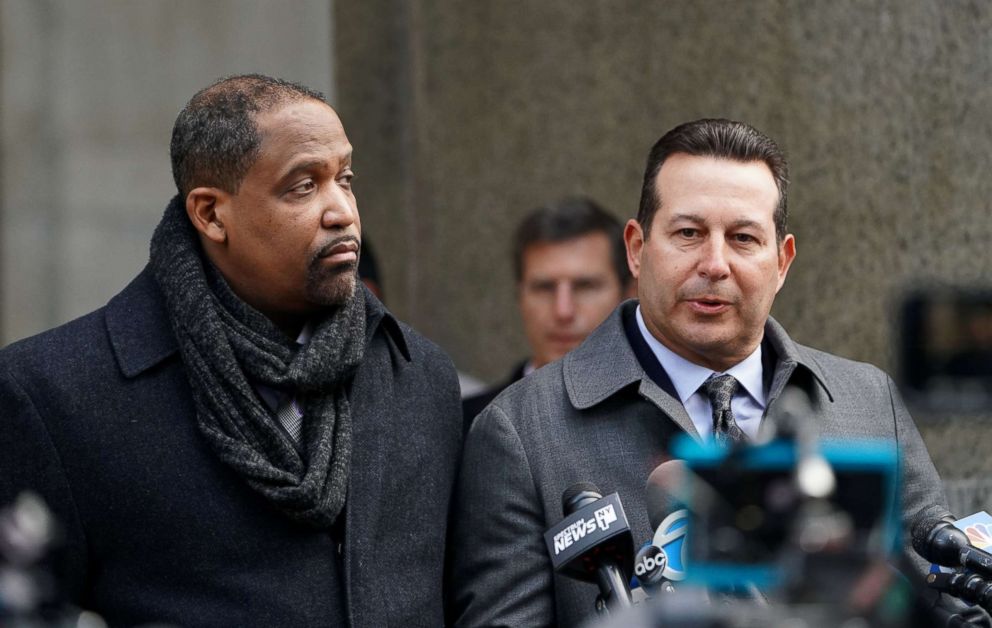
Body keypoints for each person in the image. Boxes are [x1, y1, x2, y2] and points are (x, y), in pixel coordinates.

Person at [447, 119, 951, 627]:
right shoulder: (522, 431)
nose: (714, 263)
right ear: (637, 249)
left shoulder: (866, 399)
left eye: (743, 238)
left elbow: (946, 602)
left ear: (782, 260)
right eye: (689, 233)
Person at [0, 75, 462, 627]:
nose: (342, 211)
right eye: (303, 187)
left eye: (344, 178)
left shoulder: (420, 374)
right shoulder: (53, 394)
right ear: (211, 214)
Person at [462, 197, 632, 427]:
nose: (563, 311)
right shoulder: (464, 427)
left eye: (585, 286)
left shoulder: (667, 419)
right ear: (520, 296)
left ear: (627, 294)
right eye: (544, 287)